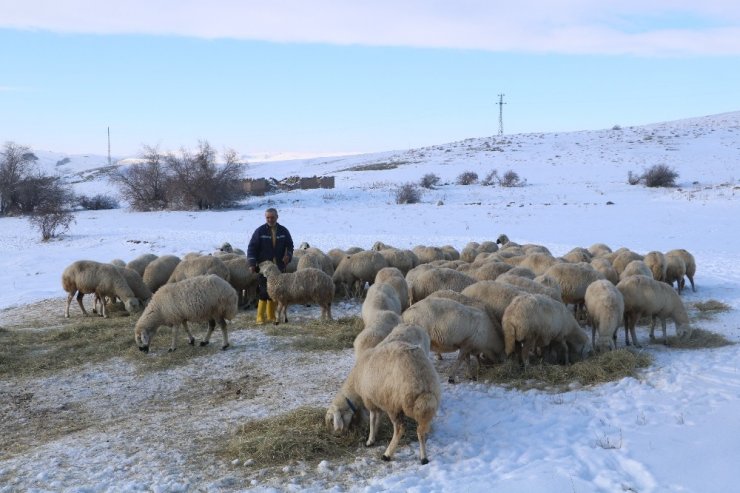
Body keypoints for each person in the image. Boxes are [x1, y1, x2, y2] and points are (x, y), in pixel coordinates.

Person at [247, 207, 294, 324]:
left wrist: (288, 255)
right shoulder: (260, 231)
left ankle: (271, 315)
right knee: (264, 291)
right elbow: (252, 247)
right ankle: (259, 317)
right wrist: (252, 263)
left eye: (272, 217)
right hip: (264, 268)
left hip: (278, 266)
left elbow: (290, 245)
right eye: (268, 217)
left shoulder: (283, 231)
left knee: (275, 292)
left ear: (277, 217)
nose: (270, 219)